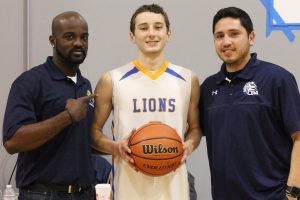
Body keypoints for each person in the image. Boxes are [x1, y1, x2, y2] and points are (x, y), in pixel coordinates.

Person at [91, 4, 201, 200]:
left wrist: (189, 145)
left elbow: (195, 128)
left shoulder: (188, 79)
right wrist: (116, 148)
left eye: (158, 27)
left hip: (174, 188)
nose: (151, 33)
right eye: (143, 28)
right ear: (132, 36)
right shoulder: (112, 79)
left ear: (169, 34)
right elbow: (92, 133)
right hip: (127, 188)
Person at [199, 7, 300, 200]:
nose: (226, 41)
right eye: (219, 36)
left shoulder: (277, 79)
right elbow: (193, 130)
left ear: (251, 37)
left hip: (274, 196)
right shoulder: (208, 87)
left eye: (234, 34)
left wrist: (293, 193)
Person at [3, 11, 97, 200]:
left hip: (84, 193)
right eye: (69, 36)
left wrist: (120, 147)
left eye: (84, 37)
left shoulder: (85, 85)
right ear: (53, 40)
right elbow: (12, 142)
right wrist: (67, 117)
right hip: (43, 194)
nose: (78, 43)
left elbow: (81, 141)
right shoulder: (30, 82)